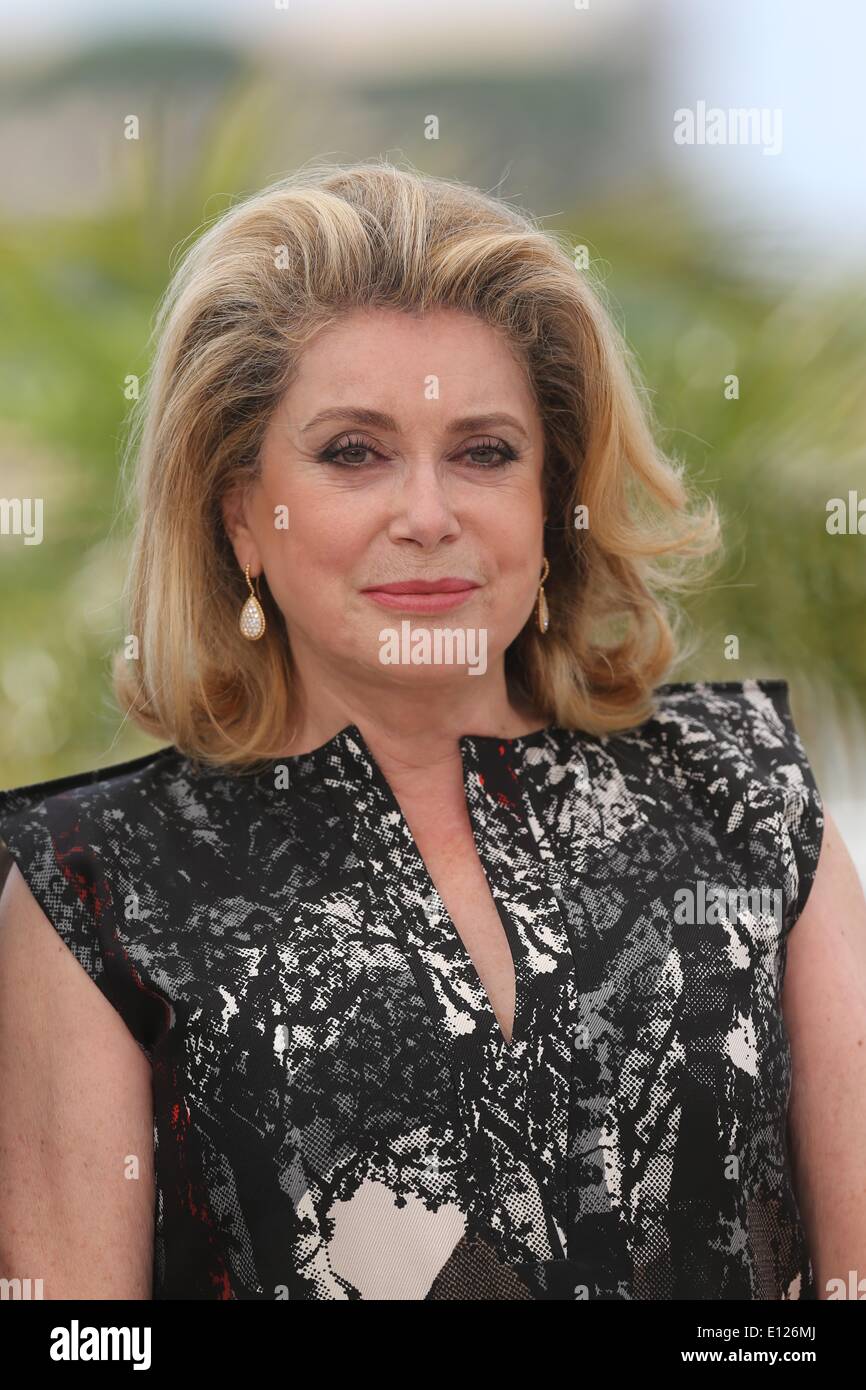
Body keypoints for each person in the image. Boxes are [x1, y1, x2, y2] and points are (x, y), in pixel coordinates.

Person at [0, 160, 864, 1302]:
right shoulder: (94, 888)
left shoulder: (743, 795)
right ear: (239, 516)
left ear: (551, 505)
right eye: (352, 452)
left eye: (483, 452)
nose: (427, 515)